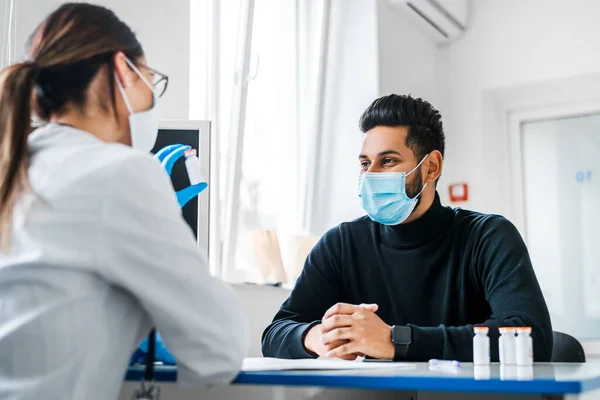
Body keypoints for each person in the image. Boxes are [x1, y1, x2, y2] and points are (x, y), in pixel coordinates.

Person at [0, 3, 248, 399]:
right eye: (152, 79)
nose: (152, 95)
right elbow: (219, 351)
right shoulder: (119, 171)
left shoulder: (14, 165)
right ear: (122, 70)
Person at [262, 94, 553, 362]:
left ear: (431, 167)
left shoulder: (487, 236)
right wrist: (316, 338)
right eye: (365, 163)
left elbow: (531, 337)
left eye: (387, 161)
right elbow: (276, 333)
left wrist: (396, 341)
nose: (370, 175)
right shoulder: (341, 243)